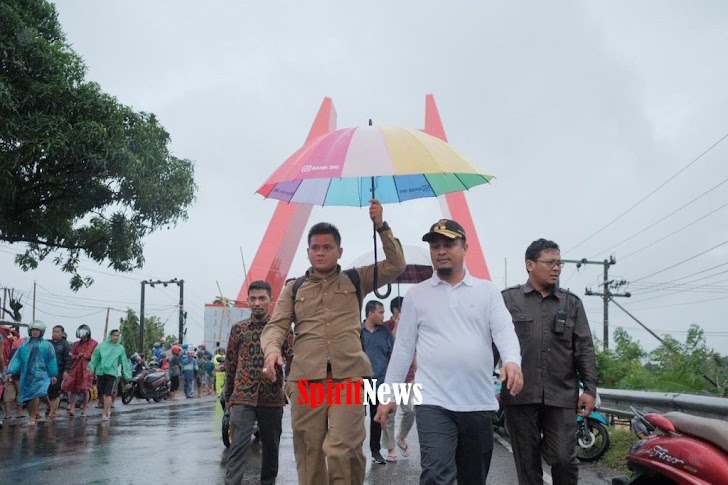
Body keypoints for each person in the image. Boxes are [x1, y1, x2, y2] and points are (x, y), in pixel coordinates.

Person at [262, 199, 406, 485]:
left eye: (327, 247)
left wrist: (381, 227)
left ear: (340, 251)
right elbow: (276, 325)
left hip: (349, 379)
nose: (321, 252)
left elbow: (396, 264)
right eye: (315, 247)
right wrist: (272, 351)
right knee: (310, 452)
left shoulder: (357, 279)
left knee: (343, 448)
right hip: (306, 381)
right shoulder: (294, 288)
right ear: (307, 252)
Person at [375, 219, 523, 485]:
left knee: (472, 478)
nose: (441, 250)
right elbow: (403, 349)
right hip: (433, 401)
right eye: (435, 245)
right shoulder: (417, 296)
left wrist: (512, 360)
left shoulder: (487, 291)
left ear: (465, 247)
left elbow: (504, 329)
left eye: (448, 244)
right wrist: (388, 395)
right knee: (435, 474)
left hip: (477, 402)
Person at [501, 238, 597, 485]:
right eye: (550, 262)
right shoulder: (508, 300)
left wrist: (589, 389)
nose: (556, 268)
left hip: (561, 394)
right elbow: (491, 345)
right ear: (530, 265)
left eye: (559, 263)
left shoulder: (571, 303)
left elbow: (584, 347)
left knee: (564, 459)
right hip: (519, 394)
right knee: (527, 465)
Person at [224, 280, 292, 485]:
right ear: (247, 301)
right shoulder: (238, 329)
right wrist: (229, 398)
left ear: (270, 301)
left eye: (262, 298)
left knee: (271, 449)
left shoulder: (282, 330)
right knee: (237, 448)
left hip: (272, 398)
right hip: (243, 397)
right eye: (253, 298)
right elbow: (230, 364)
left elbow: (293, 360)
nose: (257, 303)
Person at [2, 320, 58, 427]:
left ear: (41, 331)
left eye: (37, 330)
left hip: (42, 375)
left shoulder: (47, 346)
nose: (35, 332)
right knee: (30, 396)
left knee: (36, 394)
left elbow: (51, 360)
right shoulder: (24, 346)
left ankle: (32, 418)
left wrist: (53, 374)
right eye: (33, 330)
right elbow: (17, 360)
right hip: (27, 375)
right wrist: (10, 372)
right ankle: (48, 408)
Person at [362, 300, 396, 464]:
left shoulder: (385, 332)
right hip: (359, 383)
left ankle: (375, 451)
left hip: (380, 383)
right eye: (380, 312)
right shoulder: (356, 331)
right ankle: (354, 451)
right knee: (355, 419)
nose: (383, 316)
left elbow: (395, 353)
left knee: (377, 418)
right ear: (370, 313)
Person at [384, 296, 417, 458]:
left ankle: (401, 436)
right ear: (396, 309)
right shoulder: (385, 326)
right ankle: (391, 449)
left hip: (408, 375)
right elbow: (392, 343)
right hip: (390, 376)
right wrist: (397, 325)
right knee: (389, 413)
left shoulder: (412, 325)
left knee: (410, 410)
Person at [87, 329, 132, 421]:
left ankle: (104, 413)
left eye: (117, 335)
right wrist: (91, 368)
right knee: (101, 394)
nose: (115, 337)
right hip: (100, 372)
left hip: (112, 373)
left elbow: (124, 361)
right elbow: (95, 357)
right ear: (110, 336)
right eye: (114, 335)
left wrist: (128, 376)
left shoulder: (120, 348)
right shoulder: (102, 346)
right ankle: (106, 409)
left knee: (108, 394)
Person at [62, 324, 98, 417]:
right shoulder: (75, 344)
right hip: (76, 368)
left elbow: (96, 356)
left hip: (87, 368)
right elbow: (71, 355)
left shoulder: (94, 344)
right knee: (73, 388)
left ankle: (84, 408)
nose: (83, 338)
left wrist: (87, 356)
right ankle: (72, 408)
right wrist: (77, 356)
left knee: (85, 389)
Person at [46, 325, 72, 420]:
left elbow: (68, 359)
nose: (55, 333)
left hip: (59, 371)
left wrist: (66, 371)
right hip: (47, 371)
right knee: (46, 392)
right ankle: (50, 409)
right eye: (53, 331)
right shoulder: (48, 343)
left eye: (57, 332)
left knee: (55, 393)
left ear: (62, 333)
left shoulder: (65, 345)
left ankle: (51, 413)